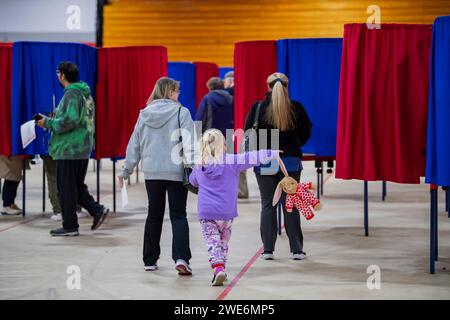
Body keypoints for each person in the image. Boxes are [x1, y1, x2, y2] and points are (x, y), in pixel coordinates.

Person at [118, 77, 194, 275]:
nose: (179, 95)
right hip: (176, 172)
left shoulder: (144, 114)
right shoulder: (181, 112)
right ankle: (181, 258)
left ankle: (149, 260)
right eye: (177, 91)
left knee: (154, 215)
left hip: (152, 173)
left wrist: (126, 170)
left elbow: (134, 145)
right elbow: (190, 143)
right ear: (169, 92)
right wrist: (196, 167)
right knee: (178, 215)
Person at [189, 129, 280, 286]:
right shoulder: (232, 161)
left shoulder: (199, 166)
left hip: (207, 213)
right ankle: (221, 267)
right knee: (224, 242)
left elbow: (192, 182)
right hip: (227, 213)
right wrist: (271, 153)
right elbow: (251, 157)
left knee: (213, 242)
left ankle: (218, 269)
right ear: (222, 146)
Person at [244, 72, 312, 261]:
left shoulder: (258, 107)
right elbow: (307, 131)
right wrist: (294, 144)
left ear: (267, 86)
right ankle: (297, 250)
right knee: (290, 204)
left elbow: (249, 132)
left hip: (265, 161)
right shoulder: (296, 107)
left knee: (268, 205)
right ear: (287, 86)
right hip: (290, 161)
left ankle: (268, 250)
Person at [37, 61, 109, 236]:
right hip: (82, 147)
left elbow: (69, 121)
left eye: (58, 73)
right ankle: (97, 210)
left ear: (62, 75)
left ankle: (70, 226)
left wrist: (47, 122)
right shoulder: (84, 93)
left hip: (69, 149)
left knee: (66, 189)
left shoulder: (71, 94)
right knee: (75, 186)